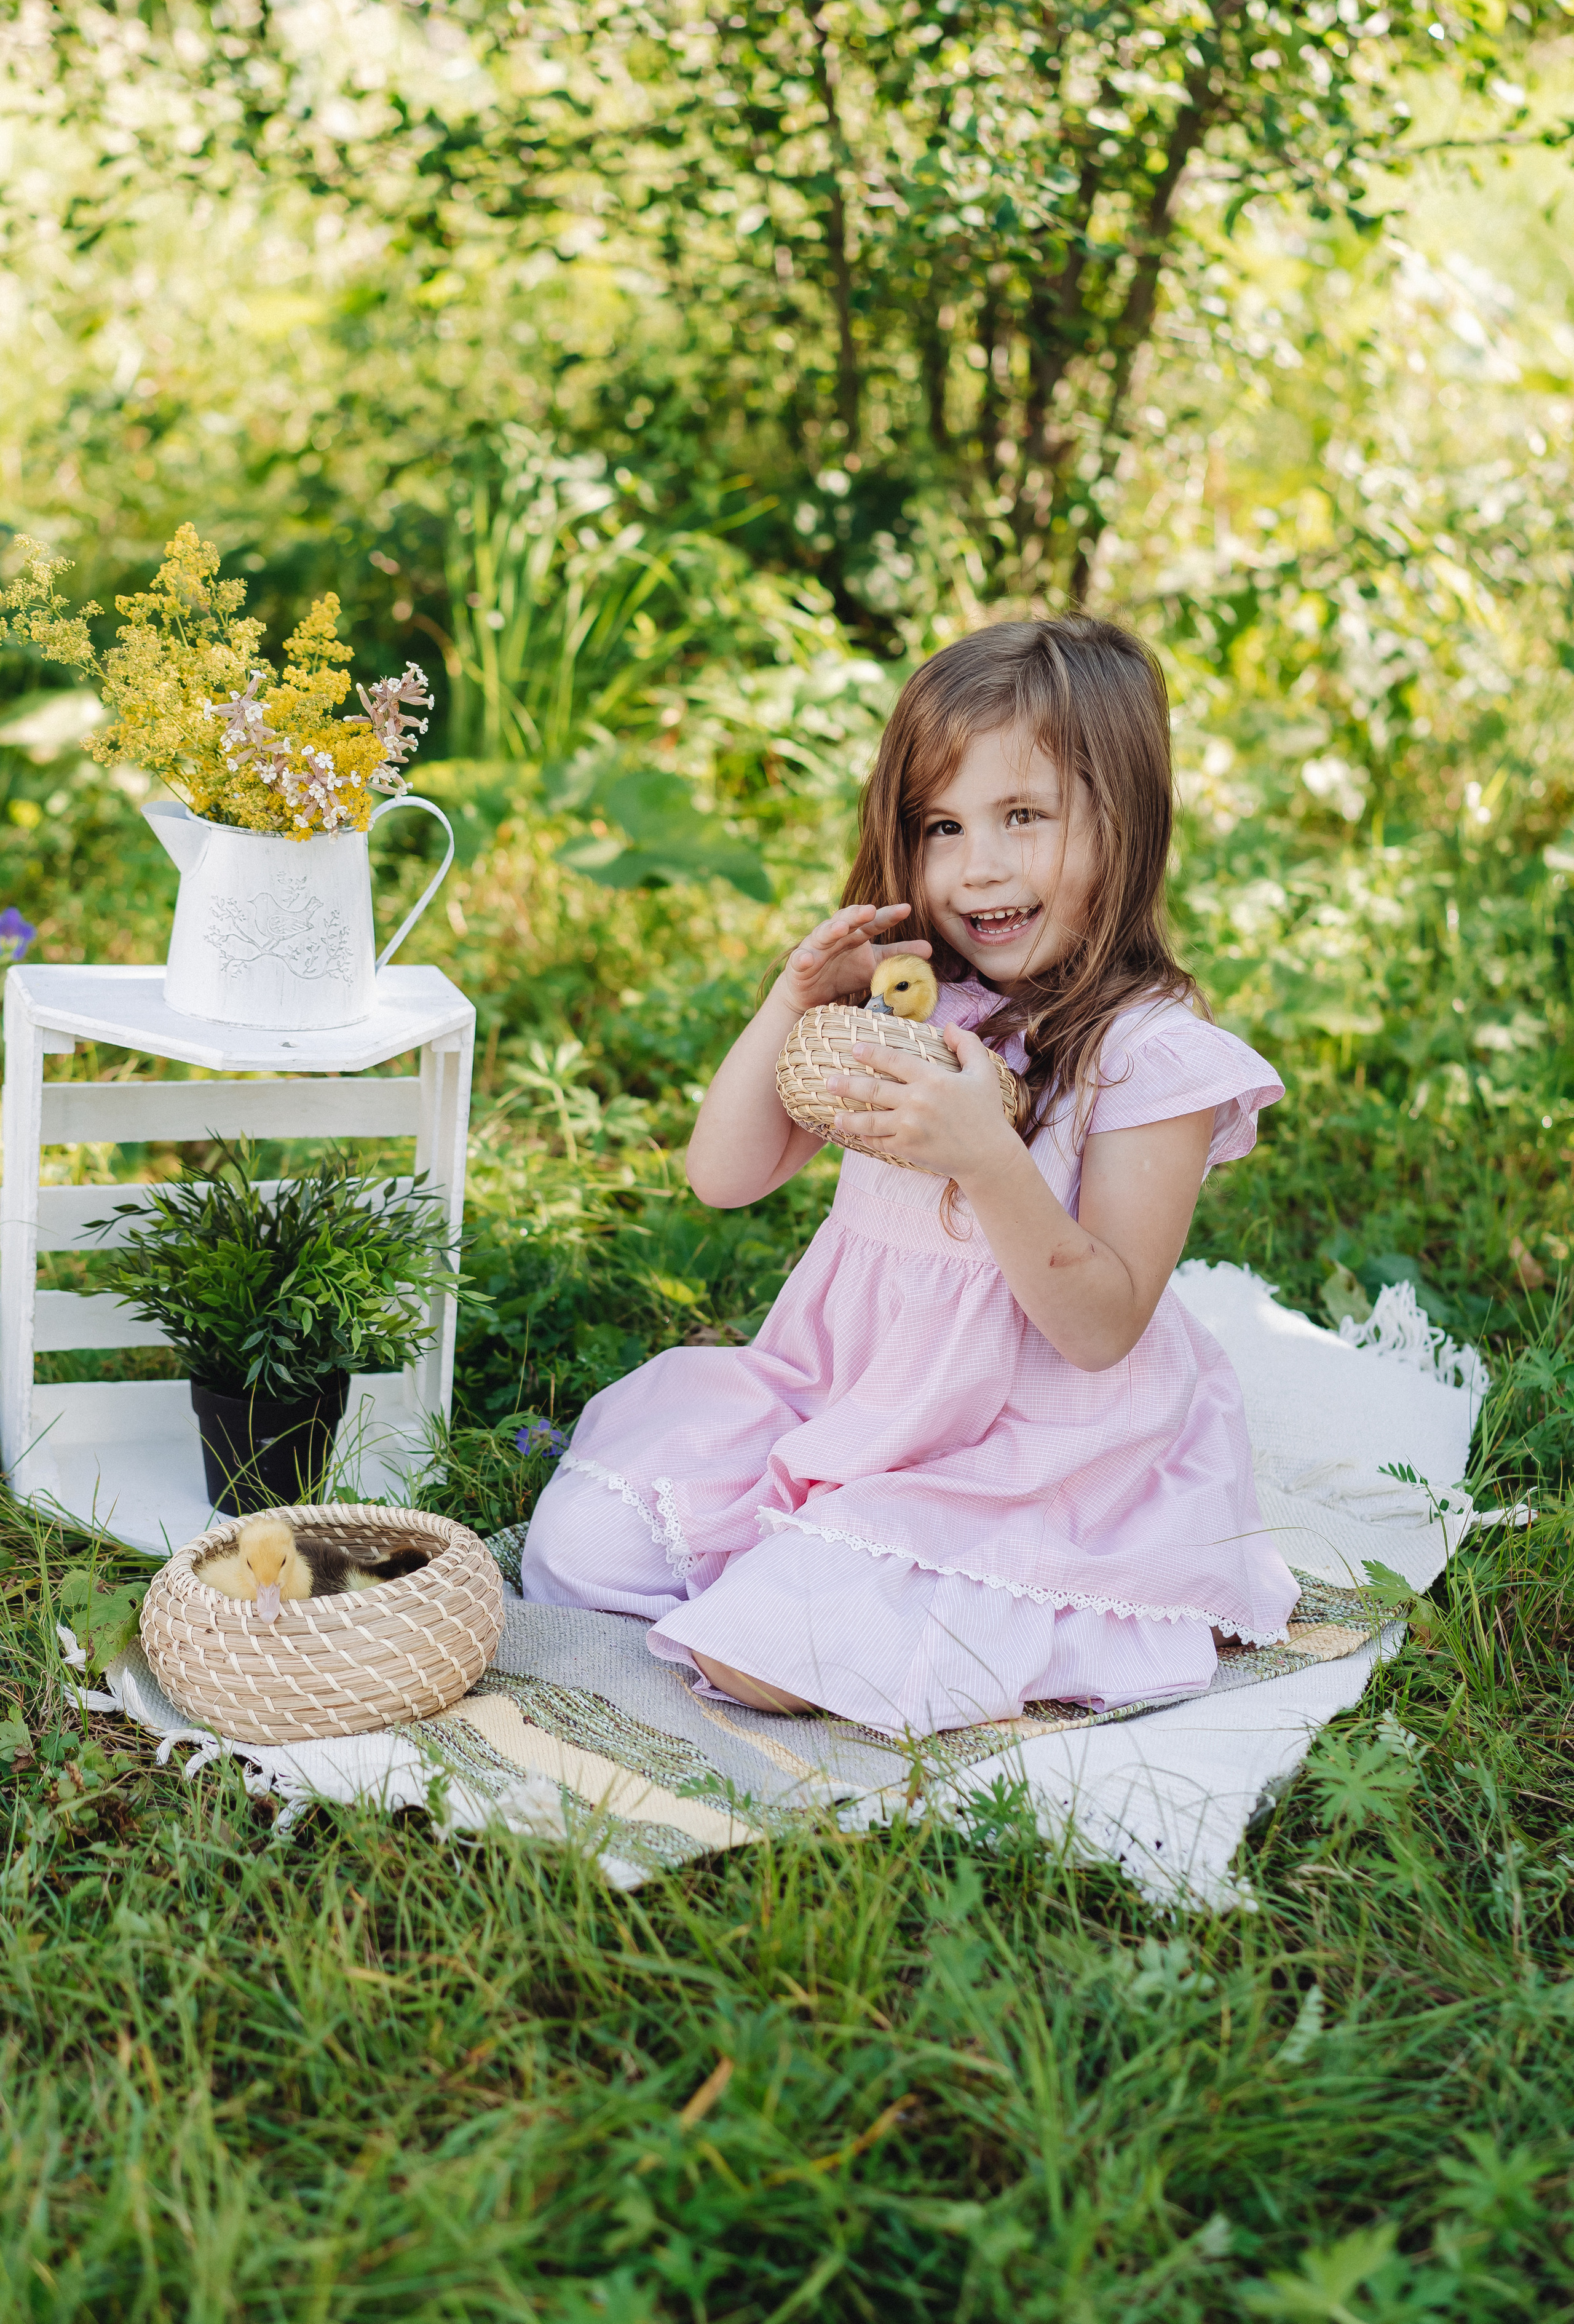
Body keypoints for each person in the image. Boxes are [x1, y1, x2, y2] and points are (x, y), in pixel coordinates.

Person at [519, 616, 1298, 1733]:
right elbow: (723, 1177)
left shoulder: (1149, 1056)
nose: (978, 866)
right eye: (942, 826)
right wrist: (792, 1001)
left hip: (1024, 1455)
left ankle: (979, 1598)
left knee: (763, 1648)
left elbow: (1101, 1326)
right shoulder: (913, 1010)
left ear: (1125, 822)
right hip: (845, 1403)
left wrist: (986, 1157)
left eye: (1023, 816)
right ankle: (813, 1560)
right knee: (578, 1545)